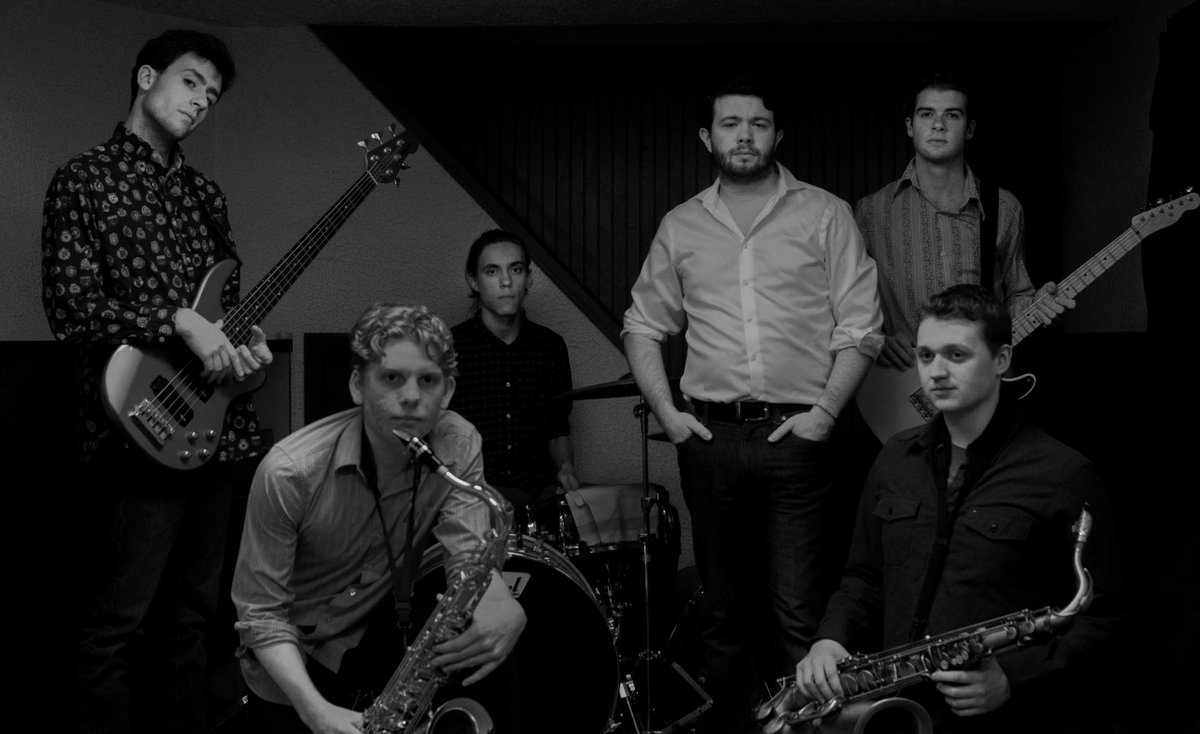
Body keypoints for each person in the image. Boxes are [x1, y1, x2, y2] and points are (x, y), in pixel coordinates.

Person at [622, 75, 884, 733]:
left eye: (758, 124)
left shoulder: (825, 214)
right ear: (707, 137)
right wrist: (668, 413)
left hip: (797, 439)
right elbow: (643, 326)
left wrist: (825, 414)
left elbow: (862, 327)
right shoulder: (682, 225)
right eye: (731, 124)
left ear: (778, 135)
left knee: (798, 610)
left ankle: (807, 728)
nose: (745, 136)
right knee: (722, 615)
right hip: (709, 441)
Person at [41, 30, 274, 734]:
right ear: (147, 78)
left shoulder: (206, 196)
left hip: (212, 435)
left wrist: (245, 347)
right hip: (132, 432)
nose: (201, 101)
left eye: (212, 94)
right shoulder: (84, 179)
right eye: (190, 81)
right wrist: (175, 319)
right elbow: (71, 310)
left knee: (193, 623)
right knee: (116, 627)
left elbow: (223, 313)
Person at [795, 284, 1124, 734]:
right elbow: (863, 578)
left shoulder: (1063, 474)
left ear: (1002, 359)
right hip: (900, 711)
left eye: (956, 355)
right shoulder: (894, 458)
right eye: (926, 356)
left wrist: (1012, 678)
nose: (936, 372)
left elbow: (1105, 619)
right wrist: (830, 640)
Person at [232, 302, 526, 734]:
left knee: (496, 654)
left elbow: (470, 561)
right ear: (357, 385)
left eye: (428, 381)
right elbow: (261, 615)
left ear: (447, 392)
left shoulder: (458, 443)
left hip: (374, 632)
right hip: (291, 662)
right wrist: (316, 713)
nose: (411, 397)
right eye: (391, 378)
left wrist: (498, 600)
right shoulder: (289, 472)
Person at [855, 71, 1075, 373]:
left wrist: (1038, 306)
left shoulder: (1004, 208)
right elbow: (849, 307)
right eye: (926, 114)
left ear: (970, 129)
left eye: (952, 115)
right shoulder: (871, 212)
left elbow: (1016, 294)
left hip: (981, 378)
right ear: (909, 126)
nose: (938, 125)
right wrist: (876, 339)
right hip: (901, 385)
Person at [450, 229, 579, 515]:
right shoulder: (448, 348)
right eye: (492, 271)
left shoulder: (551, 346)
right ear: (473, 281)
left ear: (529, 278)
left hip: (539, 491)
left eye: (516, 270)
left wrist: (567, 469)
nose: (506, 281)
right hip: (473, 494)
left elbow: (558, 431)